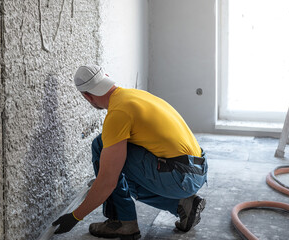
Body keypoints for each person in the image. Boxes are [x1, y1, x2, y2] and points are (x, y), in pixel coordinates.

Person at [52, 64, 208, 239]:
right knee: (112, 152)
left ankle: (122, 222)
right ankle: (181, 204)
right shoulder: (134, 95)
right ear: (107, 78)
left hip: (180, 178)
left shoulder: (118, 113)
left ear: (87, 96)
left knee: (103, 148)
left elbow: (107, 181)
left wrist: (75, 216)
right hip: (197, 169)